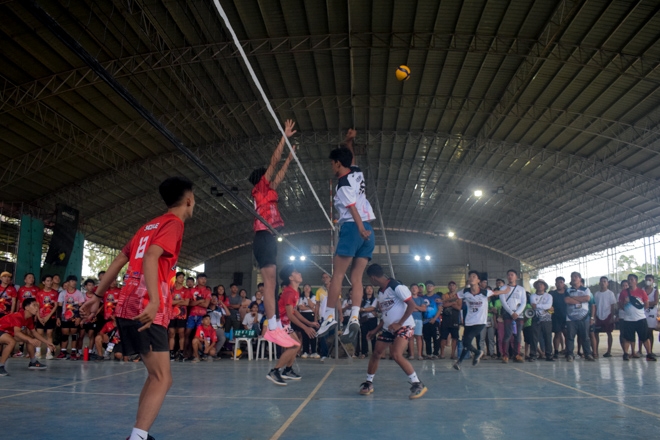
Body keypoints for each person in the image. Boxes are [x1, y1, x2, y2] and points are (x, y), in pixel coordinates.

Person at [80, 176, 195, 440]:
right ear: (189, 200)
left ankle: (139, 433)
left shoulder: (147, 226)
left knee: (155, 375)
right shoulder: (173, 224)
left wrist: (98, 296)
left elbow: (120, 260)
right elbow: (152, 256)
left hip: (126, 304)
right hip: (145, 306)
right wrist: (154, 300)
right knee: (162, 378)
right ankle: (138, 437)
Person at [318, 128, 376, 344]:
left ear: (337, 164)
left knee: (338, 276)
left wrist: (359, 229)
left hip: (354, 228)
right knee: (357, 278)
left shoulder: (343, 185)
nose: (331, 166)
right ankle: (354, 317)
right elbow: (351, 158)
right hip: (369, 230)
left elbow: (352, 208)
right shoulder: (356, 172)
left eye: (332, 163)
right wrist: (349, 141)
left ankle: (329, 317)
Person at [250, 119, 299, 349]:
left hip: (268, 237)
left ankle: (275, 325)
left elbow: (280, 171)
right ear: (261, 179)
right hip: (262, 236)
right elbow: (273, 162)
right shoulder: (260, 188)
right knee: (269, 283)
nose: (271, 178)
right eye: (267, 176)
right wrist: (284, 138)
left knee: (273, 283)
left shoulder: (269, 191)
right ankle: (272, 328)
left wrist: (290, 158)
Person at [359, 264, 427, 399]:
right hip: (389, 328)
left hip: (405, 325)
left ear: (372, 277)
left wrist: (399, 324)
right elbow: (386, 315)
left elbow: (412, 305)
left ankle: (418, 384)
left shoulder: (396, 287)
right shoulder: (381, 292)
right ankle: (369, 382)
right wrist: (375, 330)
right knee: (376, 352)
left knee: (396, 354)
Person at [266, 265, 319, 386]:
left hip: (285, 323)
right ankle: (274, 371)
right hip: (280, 323)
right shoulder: (289, 293)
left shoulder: (295, 292)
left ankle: (288, 370)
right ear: (291, 277)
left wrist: (309, 323)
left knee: (297, 344)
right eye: (296, 272)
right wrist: (305, 328)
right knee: (294, 346)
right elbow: (290, 315)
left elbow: (294, 312)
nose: (299, 273)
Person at [453, 271, 506, 370]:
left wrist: (506, 290)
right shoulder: (465, 291)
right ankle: (472, 355)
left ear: (478, 280)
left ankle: (467, 358)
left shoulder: (484, 292)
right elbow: (455, 297)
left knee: (468, 339)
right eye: (470, 276)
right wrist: (443, 301)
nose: (471, 278)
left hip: (480, 322)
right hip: (469, 321)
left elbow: (496, 292)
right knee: (466, 343)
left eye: (474, 276)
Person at [0, 298, 54, 376]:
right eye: (34, 305)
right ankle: (1, 366)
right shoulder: (18, 316)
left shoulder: (29, 318)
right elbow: (17, 333)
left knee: (29, 339)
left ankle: (33, 362)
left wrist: (47, 343)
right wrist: (29, 339)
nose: (37, 308)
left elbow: (34, 333)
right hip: (1, 330)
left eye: (37, 305)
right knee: (11, 342)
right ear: (26, 308)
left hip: (6, 332)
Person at [619, 274, 656, 361]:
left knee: (645, 337)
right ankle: (626, 354)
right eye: (629, 279)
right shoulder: (623, 293)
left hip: (640, 319)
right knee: (627, 338)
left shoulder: (641, 292)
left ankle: (649, 354)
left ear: (636, 281)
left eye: (632, 279)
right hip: (628, 319)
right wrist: (625, 304)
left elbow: (646, 304)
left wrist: (639, 311)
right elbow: (620, 304)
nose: (630, 281)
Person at [497, 269, 527, 363]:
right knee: (508, 334)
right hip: (508, 314)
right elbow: (503, 302)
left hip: (519, 314)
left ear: (516, 277)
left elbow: (524, 302)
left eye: (512, 275)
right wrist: (511, 312)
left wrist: (517, 313)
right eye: (508, 275)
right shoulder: (503, 289)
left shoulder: (521, 289)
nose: (510, 276)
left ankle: (517, 354)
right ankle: (505, 355)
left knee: (518, 335)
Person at [564, 272, 595, 362]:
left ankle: (588, 354)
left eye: (576, 277)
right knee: (570, 337)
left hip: (584, 317)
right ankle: (570, 354)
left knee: (585, 337)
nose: (574, 278)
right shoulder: (568, 290)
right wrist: (580, 299)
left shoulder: (586, 289)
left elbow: (587, 299)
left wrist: (573, 298)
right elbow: (567, 300)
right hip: (571, 318)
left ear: (580, 279)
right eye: (572, 277)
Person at [56, 276, 85, 360]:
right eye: (72, 281)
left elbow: (81, 306)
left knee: (74, 334)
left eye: (75, 281)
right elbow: (59, 307)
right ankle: (63, 352)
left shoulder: (79, 293)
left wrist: (79, 317)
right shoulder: (62, 293)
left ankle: (73, 352)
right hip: (64, 317)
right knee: (64, 334)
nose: (74, 282)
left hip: (75, 317)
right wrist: (58, 318)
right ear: (68, 282)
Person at [185, 273, 211, 359]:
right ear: (197, 280)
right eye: (201, 278)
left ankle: (195, 353)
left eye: (205, 279)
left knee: (198, 335)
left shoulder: (207, 291)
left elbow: (206, 305)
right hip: (192, 315)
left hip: (202, 317)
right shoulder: (191, 290)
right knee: (187, 333)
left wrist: (195, 302)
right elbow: (189, 303)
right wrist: (200, 301)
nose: (204, 280)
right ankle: (185, 352)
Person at [530, 280, 554, 361]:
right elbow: (533, 306)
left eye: (541, 284)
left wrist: (538, 306)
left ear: (545, 286)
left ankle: (549, 355)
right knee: (534, 338)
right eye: (538, 284)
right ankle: (533, 355)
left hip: (547, 319)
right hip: (536, 319)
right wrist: (545, 307)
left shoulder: (549, 296)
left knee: (548, 337)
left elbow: (549, 306)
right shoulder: (533, 296)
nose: (540, 286)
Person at [35, 274, 58, 360]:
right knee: (39, 334)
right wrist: (38, 317)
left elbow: (55, 306)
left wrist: (49, 316)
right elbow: (37, 306)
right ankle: (38, 352)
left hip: (50, 317)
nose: (49, 282)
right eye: (47, 281)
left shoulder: (55, 293)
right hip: (40, 316)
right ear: (44, 282)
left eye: (51, 281)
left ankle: (49, 352)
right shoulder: (39, 293)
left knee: (49, 333)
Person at [168, 272, 190, 361]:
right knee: (171, 333)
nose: (182, 279)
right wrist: (180, 301)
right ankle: (171, 353)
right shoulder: (171, 289)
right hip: (171, 315)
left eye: (183, 277)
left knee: (181, 333)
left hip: (182, 315)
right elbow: (169, 302)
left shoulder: (186, 290)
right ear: (176, 278)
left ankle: (181, 352)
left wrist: (175, 302)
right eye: (180, 277)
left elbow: (187, 303)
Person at [593, 276, 617, 358]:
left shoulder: (610, 293)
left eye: (604, 281)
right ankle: (595, 351)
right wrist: (594, 316)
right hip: (598, 315)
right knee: (596, 333)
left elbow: (612, 306)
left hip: (608, 315)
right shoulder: (596, 294)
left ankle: (609, 351)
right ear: (599, 283)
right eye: (601, 281)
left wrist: (612, 317)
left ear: (607, 283)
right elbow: (595, 306)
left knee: (609, 333)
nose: (603, 283)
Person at [440, 281, 461, 359]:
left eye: (453, 285)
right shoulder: (444, 295)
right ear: (448, 287)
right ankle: (442, 353)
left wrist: (449, 303)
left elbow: (459, 307)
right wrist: (453, 303)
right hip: (445, 319)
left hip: (455, 319)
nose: (452, 287)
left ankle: (453, 354)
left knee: (455, 337)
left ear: (456, 287)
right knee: (443, 337)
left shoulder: (459, 296)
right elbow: (444, 305)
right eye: (450, 285)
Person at [422, 281, 441, 359]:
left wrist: (435, 318)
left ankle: (436, 353)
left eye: (431, 285)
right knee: (427, 338)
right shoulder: (423, 298)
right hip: (425, 321)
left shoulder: (437, 297)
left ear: (434, 287)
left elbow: (440, 309)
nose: (429, 287)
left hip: (435, 320)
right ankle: (429, 353)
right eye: (427, 285)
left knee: (436, 337)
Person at [549, 277, 568, 359]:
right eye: (558, 282)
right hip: (556, 317)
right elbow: (548, 305)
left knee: (567, 335)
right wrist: (550, 313)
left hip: (566, 317)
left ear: (564, 283)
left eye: (561, 282)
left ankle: (568, 350)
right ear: (555, 284)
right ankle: (556, 351)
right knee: (557, 334)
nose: (559, 284)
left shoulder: (568, 293)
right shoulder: (552, 294)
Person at [315, 272, 332, 361]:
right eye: (323, 277)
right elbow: (317, 305)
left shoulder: (334, 289)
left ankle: (332, 354)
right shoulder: (319, 291)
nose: (325, 279)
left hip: (333, 316)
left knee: (332, 336)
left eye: (327, 277)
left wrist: (340, 314)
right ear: (322, 279)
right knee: (324, 336)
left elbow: (338, 302)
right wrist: (315, 317)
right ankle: (324, 354)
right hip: (323, 317)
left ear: (330, 278)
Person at [296, 284, 316, 358]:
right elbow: (300, 308)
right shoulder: (301, 298)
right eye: (305, 287)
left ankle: (314, 351)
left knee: (312, 333)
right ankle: (305, 351)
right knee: (304, 334)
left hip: (311, 316)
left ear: (310, 289)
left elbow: (312, 306)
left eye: (308, 287)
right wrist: (310, 307)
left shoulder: (313, 297)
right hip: (303, 316)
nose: (307, 289)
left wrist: (307, 297)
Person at [359, 285, 379, 359]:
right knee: (364, 335)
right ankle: (364, 352)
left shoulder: (375, 299)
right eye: (367, 288)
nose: (369, 290)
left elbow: (372, 308)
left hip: (372, 319)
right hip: (364, 319)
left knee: (373, 335)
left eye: (371, 288)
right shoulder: (361, 300)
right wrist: (367, 309)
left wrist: (363, 309)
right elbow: (359, 308)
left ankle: (374, 351)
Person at [643, 274, 658, 354]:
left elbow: (655, 302)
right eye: (647, 280)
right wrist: (648, 303)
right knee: (642, 331)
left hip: (652, 312)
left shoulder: (655, 291)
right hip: (642, 312)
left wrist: (646, 303)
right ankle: (640, 350)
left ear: (653, 281)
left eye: (650, 280)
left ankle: (650, 350)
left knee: (650, 331)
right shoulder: (642, 290)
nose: (648, 281)